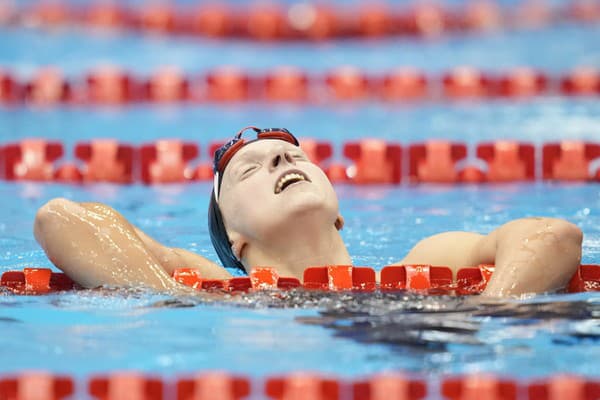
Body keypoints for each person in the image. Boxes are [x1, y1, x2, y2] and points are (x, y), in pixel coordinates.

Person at [33, 127, 583, 297]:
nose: (280, 156)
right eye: (251, 170)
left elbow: (552, 236)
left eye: (294, 156)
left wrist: (493, 316)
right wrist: (169, 295)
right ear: (236, 239)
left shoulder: (425, 261)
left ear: (339, 211)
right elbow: (61, 219)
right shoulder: (214, 287)